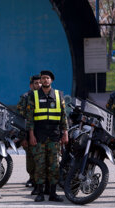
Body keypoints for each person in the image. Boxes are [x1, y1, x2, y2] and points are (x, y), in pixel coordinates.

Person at [26, 70, 68, 202]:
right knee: (40, 165)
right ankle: (39, 193)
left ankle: (53, 193)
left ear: (51, 80)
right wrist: (31, 135)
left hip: (54, 136)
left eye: (47, 78)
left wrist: (65, 132)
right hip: (39, 136)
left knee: (54, 165)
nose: (45, 80)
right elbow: (30, 117)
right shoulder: (33, 96)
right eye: (43, 78)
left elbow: (63, 115)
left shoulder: (58, 94)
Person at [16, 75, 41, 194]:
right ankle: (32, 178)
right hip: (28, 133)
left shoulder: (47, 96)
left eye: (40, 83)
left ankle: (41, 180)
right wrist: (23, 137)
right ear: (31, 85)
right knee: (31, 159)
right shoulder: (25, 97)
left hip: (43, 133)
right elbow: (20, 119)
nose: (39, 85)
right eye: (36, 83)